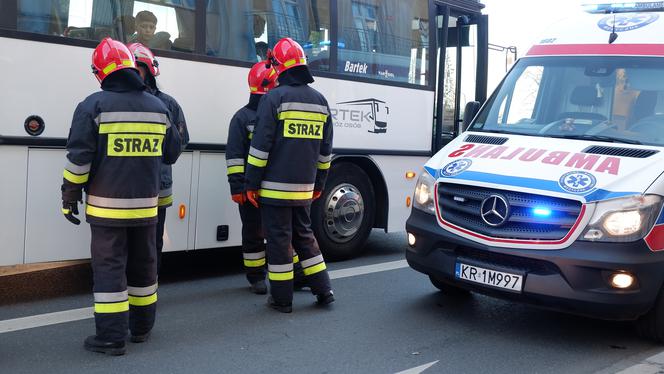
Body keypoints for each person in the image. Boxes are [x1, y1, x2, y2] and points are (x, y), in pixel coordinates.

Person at [61, 37, 181, 355]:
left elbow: (79, 159)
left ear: (100, 72)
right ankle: (141, 328)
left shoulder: (92, 106)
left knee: (110, 267)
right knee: (144, 264)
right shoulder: (159, 107)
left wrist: (69, 195)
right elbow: (171, 152)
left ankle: (111, 337)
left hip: (107, 209)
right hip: (147, 206)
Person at [245, 37, 334, 313]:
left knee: (279, 242)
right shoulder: (320, 101)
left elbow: (260, 147)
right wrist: (319, 185)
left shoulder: (274, 98)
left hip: (273, 190)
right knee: (305, 236)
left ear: (279, 67)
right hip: (305, 189)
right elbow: (325, 153)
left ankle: (282, 299)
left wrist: (251, 183)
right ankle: (324, 289)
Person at [226, 61, 306, 294]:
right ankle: (256, 277)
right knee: (254, 232)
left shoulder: (271, 112)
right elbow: (234, 157)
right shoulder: (242, 118)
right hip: (253, 188)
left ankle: (291, 276)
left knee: (281, 233)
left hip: (272, 187)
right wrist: (238, 188)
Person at [127, 43, 190, 273]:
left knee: (152, 242)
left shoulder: (169, 104)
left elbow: (181, 142)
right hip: (124, 189)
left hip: (156, 187)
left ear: (149, 71)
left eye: (138, 68)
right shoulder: (116, 102)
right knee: (123, 244)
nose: (134, 73)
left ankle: (148, 286)